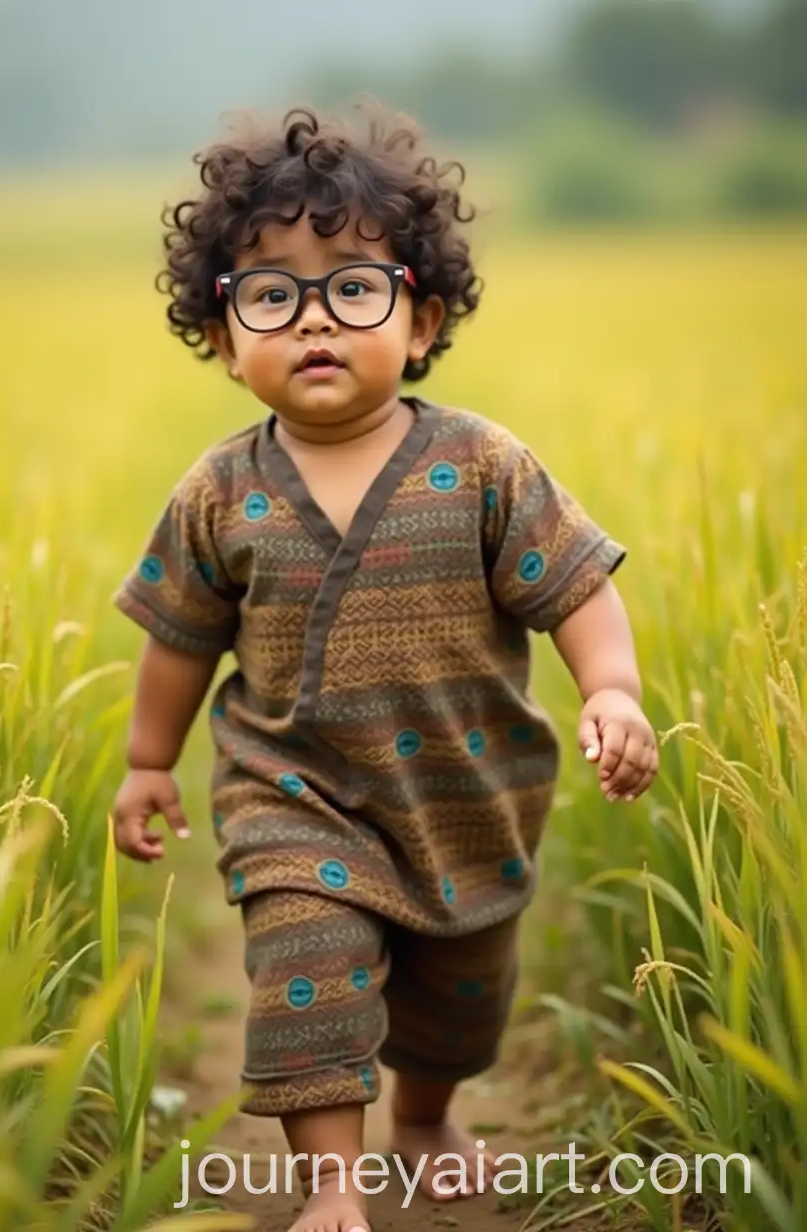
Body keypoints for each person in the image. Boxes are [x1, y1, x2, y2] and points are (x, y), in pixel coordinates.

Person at [110, 101, 658, 1232]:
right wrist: (147, 760)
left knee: (459, 1002)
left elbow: (575, 587)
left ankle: (422, 1115)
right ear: (225, 340)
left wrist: (613, 688)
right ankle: (332, 1182)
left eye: (353, 288)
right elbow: (178, 633)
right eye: (272, 295)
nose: (314, 318)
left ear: (420, 321)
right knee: (307, 964)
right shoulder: (219, 491)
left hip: (468, 793)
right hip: (293, 794)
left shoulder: (483, 464)